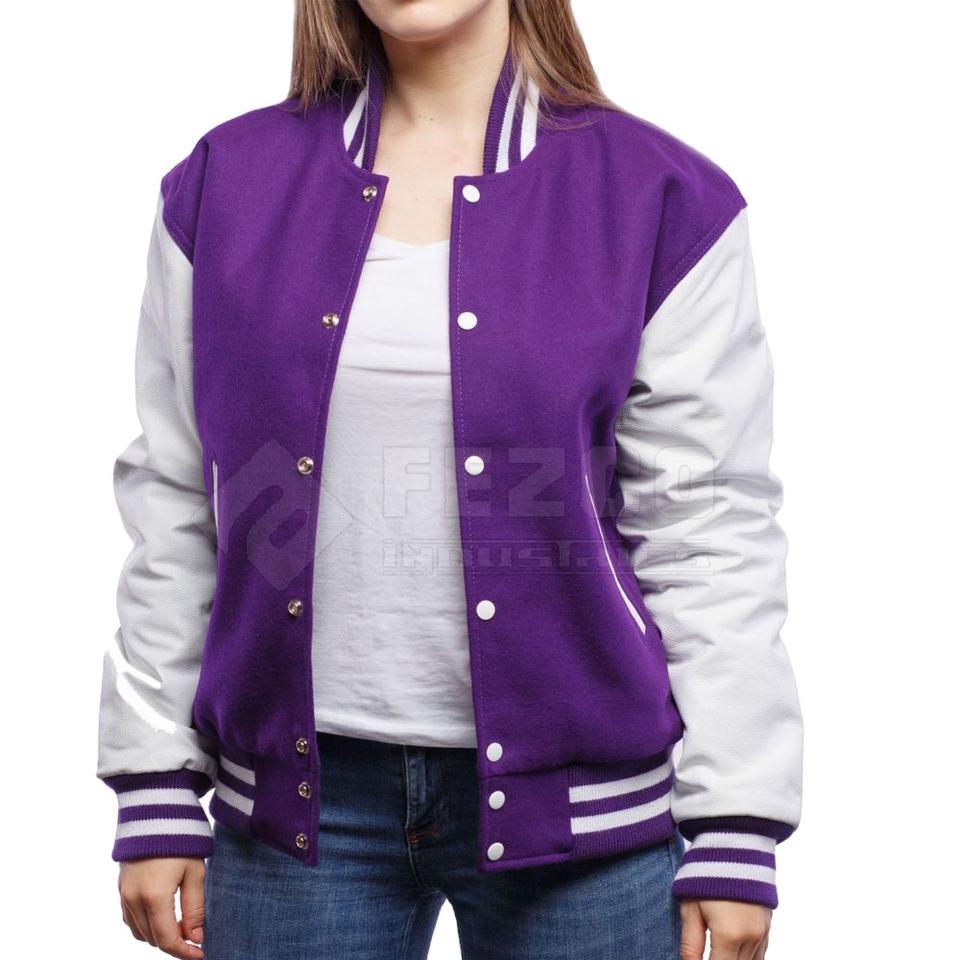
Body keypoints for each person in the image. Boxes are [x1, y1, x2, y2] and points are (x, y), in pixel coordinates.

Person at [96, 1, 803, 958]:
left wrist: (735, 822)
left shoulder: (658, 197)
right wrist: (154, 782)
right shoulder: (226, 182)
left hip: (585, 818)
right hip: (294, 814)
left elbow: (707, 524)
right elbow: (176, 498)